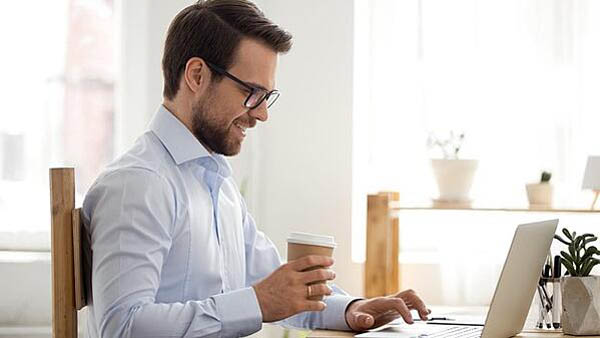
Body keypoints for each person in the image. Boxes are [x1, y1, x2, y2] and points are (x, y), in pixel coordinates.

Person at [82, 1, 430, 337]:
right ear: (197, 75)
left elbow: (279, 285)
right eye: (252, 93)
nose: (262, 113)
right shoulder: (139, 184)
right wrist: (257, 302)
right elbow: (123, 327)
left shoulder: (213, 178)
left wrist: (355, 309)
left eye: (267, 97)